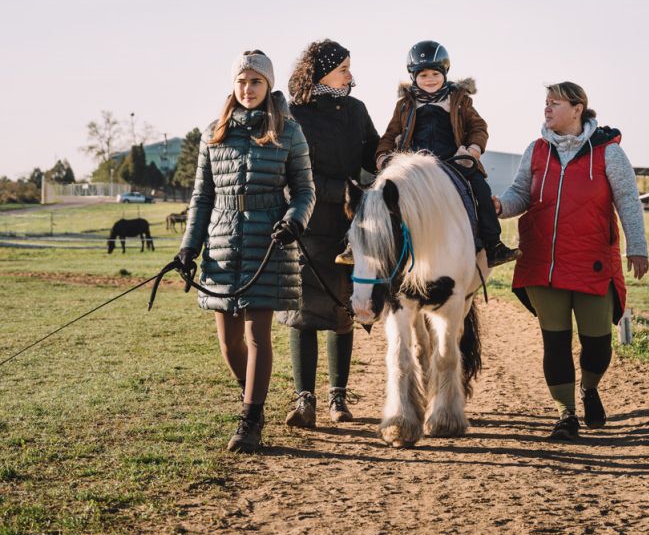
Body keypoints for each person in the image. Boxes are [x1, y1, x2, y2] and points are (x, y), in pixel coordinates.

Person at [493, 81, 648, 440]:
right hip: (542, 263)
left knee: (598, 345)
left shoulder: (608, 152)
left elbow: (627, 200)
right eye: (546, 103)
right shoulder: (536, 149)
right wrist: (501, 205)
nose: (547, 109)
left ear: (578, 109)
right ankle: (566, 415)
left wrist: (637, 246)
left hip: (592, 263)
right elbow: (520, 194)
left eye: (555, 103)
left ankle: (589, 388)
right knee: (556, 343)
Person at [178, 50, 315, 453]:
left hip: (269, 240)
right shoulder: (213, 133)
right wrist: (189, 247)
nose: (247, 89)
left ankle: (251, 419)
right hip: (221, 243)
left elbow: (305, 190)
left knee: (257, 335)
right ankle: (252, 395)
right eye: (241, 81)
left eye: (255, 81)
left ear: (268, 85)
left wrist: (294, 220)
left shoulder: (289, 132)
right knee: (229, 343)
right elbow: (202, 197)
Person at [277, 39, 379, 427]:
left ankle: (338, 397)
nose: (350, 75)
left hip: (350, 228)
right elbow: (291, 174)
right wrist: (343, 190)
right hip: (305, 224)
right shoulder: (294, 114)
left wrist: (388, 158)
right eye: (343, 69)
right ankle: (305, 400)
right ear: (321, 74)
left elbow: (373, 153)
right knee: (301, 313)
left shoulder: (356, 110)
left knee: (343, 310)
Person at [373, 40, 519, 267]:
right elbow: (390, 135)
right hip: (414, 166)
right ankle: (366, 244)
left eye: (435, 73)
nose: (430, 79)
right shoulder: (404, 105)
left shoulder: (459, 100)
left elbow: (478, 127)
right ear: (413, 77)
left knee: (481, 189)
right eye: (423, 75)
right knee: (378, 192)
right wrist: (383, 156)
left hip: (454, 161)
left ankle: (493, 245)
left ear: (445, 72)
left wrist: (473, 149)